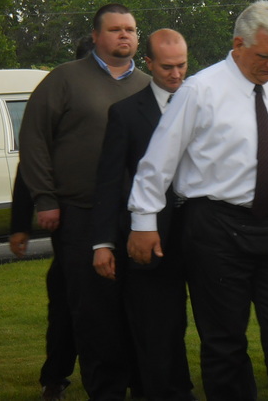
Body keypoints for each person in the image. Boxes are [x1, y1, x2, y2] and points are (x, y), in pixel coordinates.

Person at [126, 0, 268, 401]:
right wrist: (143, 222)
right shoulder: (200, 89)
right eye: (265, 56)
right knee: (225, 341)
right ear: (238, 43)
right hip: (216, 229)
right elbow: (158, 161)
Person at [19, 3, 150, 400]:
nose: (123, 35)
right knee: (93, 311)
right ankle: (104, 388)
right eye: (114, 29)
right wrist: (44, 198)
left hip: (134, 216)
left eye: (129, 29)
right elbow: (34, 139)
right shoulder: (65, 79)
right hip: (79, 212)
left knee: (136, 307)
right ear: (96, 36)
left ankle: (139, 381)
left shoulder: (147, 85)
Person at [91, 28, 195, 401]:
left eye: (182, 65)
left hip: (203, 234)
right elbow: (108, 182)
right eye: (167, 67)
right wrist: (103, 242)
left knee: (215, 325)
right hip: (148, 240)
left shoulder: (205, 106)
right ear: (148, 63)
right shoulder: (125, 114)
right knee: (157, 328)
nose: (176, 74)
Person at [8, 33, 94, 401]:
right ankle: (55, 376)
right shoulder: (61, 101)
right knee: (68, 302)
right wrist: (19, 225)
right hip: (71, 218)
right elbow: (31, 164)